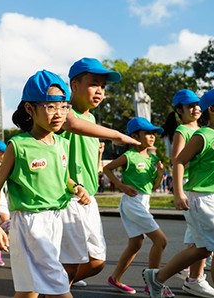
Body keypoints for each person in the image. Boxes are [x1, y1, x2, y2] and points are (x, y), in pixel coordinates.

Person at [0, 70, 90, 298]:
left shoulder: (62, 143)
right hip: (30, 223)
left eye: (64, 106)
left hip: (55, 220)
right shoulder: (19, 145)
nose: (59, 114)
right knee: (59, 287)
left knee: (28, 292)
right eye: (50, 106)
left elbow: (63, 177)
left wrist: (76, 188)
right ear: (29, 109)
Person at [60, 57, 139, 287]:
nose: (100, 91)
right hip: (70, 198)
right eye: (94, 83)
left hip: (89, 198)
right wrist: (117, 134)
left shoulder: (92, 119)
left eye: (103, 87)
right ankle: (53, 289)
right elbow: (72, 125)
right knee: (71, 263)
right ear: (75, 85)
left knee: (96, 262)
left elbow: (91, 164)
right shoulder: (64, 112)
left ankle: (56, 286)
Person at [144, 88, 214, 298]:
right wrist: (178, 193)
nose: (195, 108)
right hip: (198, 195)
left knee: (202, 248)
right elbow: (178, 161)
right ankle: (195, 280)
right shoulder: (196, 134)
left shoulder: (212, 132)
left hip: (213, 196)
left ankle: (158, 278)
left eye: (197, 105)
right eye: (190, 105)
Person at [102, 117, 168, 295]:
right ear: (134, 135)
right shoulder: (129, 156)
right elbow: (107, 168)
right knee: (161, 241)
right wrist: (121, 186)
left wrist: (160, 174)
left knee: (135, 244)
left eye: (153, 133)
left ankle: (115, 279)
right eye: (148, 133)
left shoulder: (153, 158)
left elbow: (153, 187)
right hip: (132, 203)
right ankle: (152, 283)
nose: (152, 136)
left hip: (144, 202)